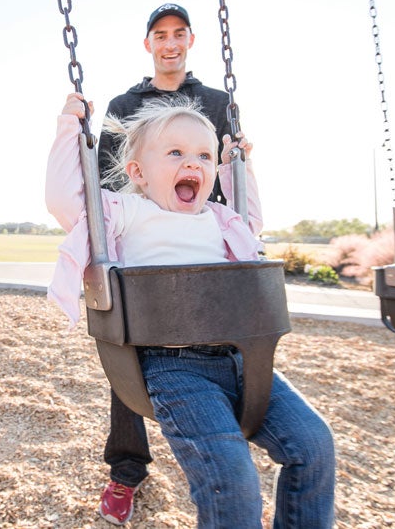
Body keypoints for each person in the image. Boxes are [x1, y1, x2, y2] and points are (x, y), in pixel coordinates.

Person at [46, 94, 336, 528]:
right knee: (233, 482)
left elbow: (251, 221)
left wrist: (237, 165)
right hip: (173, 367)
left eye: (203, 155)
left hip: (243, 359)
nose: (193, 164)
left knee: (314, 445)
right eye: (176, 153)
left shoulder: (220, 218)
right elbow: (66, 201)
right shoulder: (125, 212)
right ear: (138, 173)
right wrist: (69, 129)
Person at [93, 3, 248, 524]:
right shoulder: (125, 103)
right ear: (149, 45)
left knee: (217, 351)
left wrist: (242, 161)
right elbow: (106, 182)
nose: (170, 43)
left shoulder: (216, 102)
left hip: (203, 249)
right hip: (142, 249)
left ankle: (219, 451)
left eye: (179, 34)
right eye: (160, 34)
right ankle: (127, 471)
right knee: (130, 357)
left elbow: (226, 181)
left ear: (190, 40)